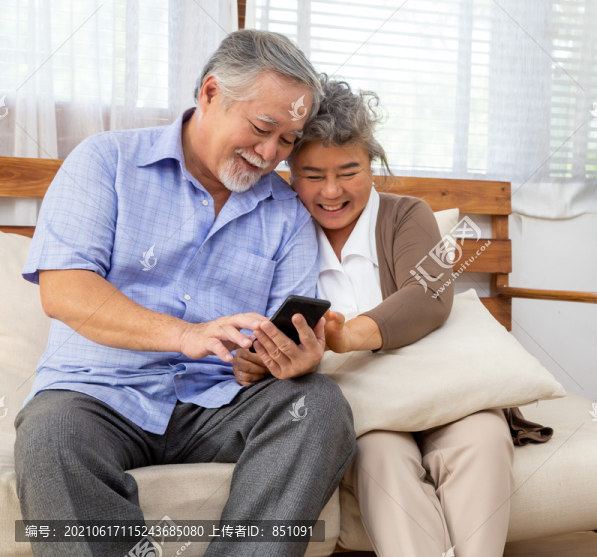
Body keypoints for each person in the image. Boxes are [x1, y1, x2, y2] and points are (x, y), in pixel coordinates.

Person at [14, 30, 356, 557]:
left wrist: (284, 360)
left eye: (288, 141)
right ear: (211, 93)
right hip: (97, 394)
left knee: (317, 405)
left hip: (218, 404)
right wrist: (184, 334)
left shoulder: (286, 213)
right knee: (50, 437)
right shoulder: (105, 162)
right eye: (263, 128)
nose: (269, 154)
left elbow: (271, 344)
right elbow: (65, 291)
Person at [233, 76, 551, 557]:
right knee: (379, 456)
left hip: (445, 391)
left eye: (349, 171)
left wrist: (348, 336)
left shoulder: (406, 215)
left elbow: (429, 294)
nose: (332, 191)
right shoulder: (279, 232)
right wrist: (260, 361)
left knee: (484, 439)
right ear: (290, 174)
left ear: (373, 166)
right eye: (313, 176)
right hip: (366, 411)